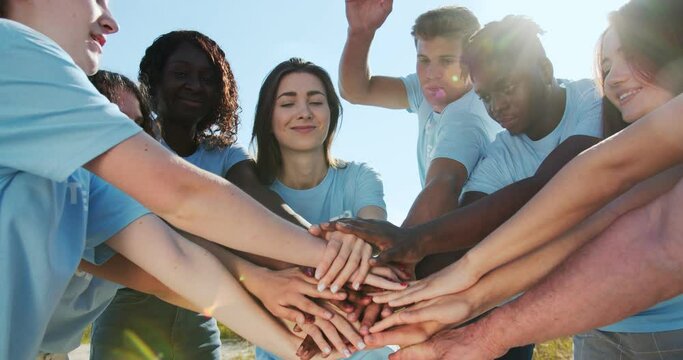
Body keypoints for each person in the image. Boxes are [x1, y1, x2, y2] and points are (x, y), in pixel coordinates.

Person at [0, 2, 372, 359]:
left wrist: (300, 350)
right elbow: (183, 195)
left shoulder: (82, 178)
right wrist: (344, 261)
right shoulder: (13, 51)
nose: (111, 21)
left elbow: (176, 262)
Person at [371, 0, 683, 358]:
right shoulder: (503, 152)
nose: (612, 78)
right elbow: (585, 225)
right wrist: (423, 288)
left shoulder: (590, 101)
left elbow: (579, 180)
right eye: (607, 66)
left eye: (507, 87)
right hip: (600, 322)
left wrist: (424, 244)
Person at [339, 1, 501, 277]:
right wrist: (360, 32)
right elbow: (357, 90)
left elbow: (444, 183)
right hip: (441, 233)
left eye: (448, 61)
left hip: (476, 244)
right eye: (424, 60)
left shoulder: (467, 116)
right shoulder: (432, 89)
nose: (431, 73)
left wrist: (391, 258)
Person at [251, 58, 396, 360]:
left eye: (316, 101)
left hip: (363, 343)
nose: (304, 112)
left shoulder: (359, 177)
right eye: (288, 103)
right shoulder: (251, 189)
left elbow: (374, 224)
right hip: (289, 345)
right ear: (267, 116)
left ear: (331, 112)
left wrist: (359, 236)